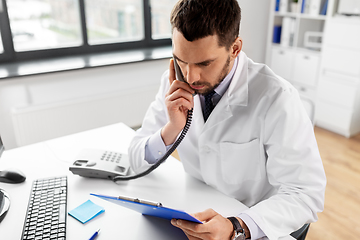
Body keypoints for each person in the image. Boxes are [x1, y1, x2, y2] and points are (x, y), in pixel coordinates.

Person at [128, 0, 326, 239]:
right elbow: (136, 160)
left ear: (235, 48)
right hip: (197, 212)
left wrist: (236, 226)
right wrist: (171, 129)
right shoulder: (173, 84)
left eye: (204, 63)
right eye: (181, 60)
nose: (191, 76)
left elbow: (306, 193)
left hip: (257, 223)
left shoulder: (277, 97)